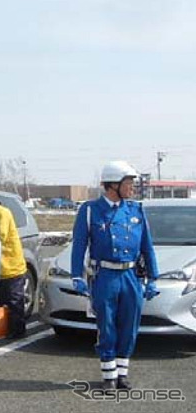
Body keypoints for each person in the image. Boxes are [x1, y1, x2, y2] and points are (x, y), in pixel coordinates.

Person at [71, 160, 159, 391]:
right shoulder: (90, 210)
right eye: (128, 182)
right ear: (113, 185)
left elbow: (147, 247)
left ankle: (122, 374)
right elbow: (79, 245)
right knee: (107, 325)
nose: (132, 187)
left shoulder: (136, 210)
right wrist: (77, 276)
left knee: (129, 325)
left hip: (131, 276)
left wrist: (153, 278)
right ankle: (108, 375)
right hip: (105, 277)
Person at [0, 201, 28, 339]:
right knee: (2, 299)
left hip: (12, 264)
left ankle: (18, 330)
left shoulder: (2, 212)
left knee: (14, 299)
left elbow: (1, 236)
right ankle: (5, 328)